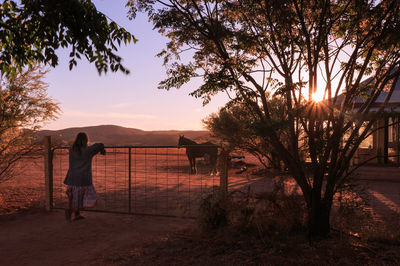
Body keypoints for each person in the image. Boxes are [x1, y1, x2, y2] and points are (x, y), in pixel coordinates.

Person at [64, 132, 105, 221]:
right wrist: (102, 150)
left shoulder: (72, 149)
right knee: (80, 197)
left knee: (74, 197)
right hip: (82, 178)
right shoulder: (87, 150)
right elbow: (100, 144)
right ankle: (70, 211)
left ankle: (76, 214)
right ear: (86, 140)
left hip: (72, 178)